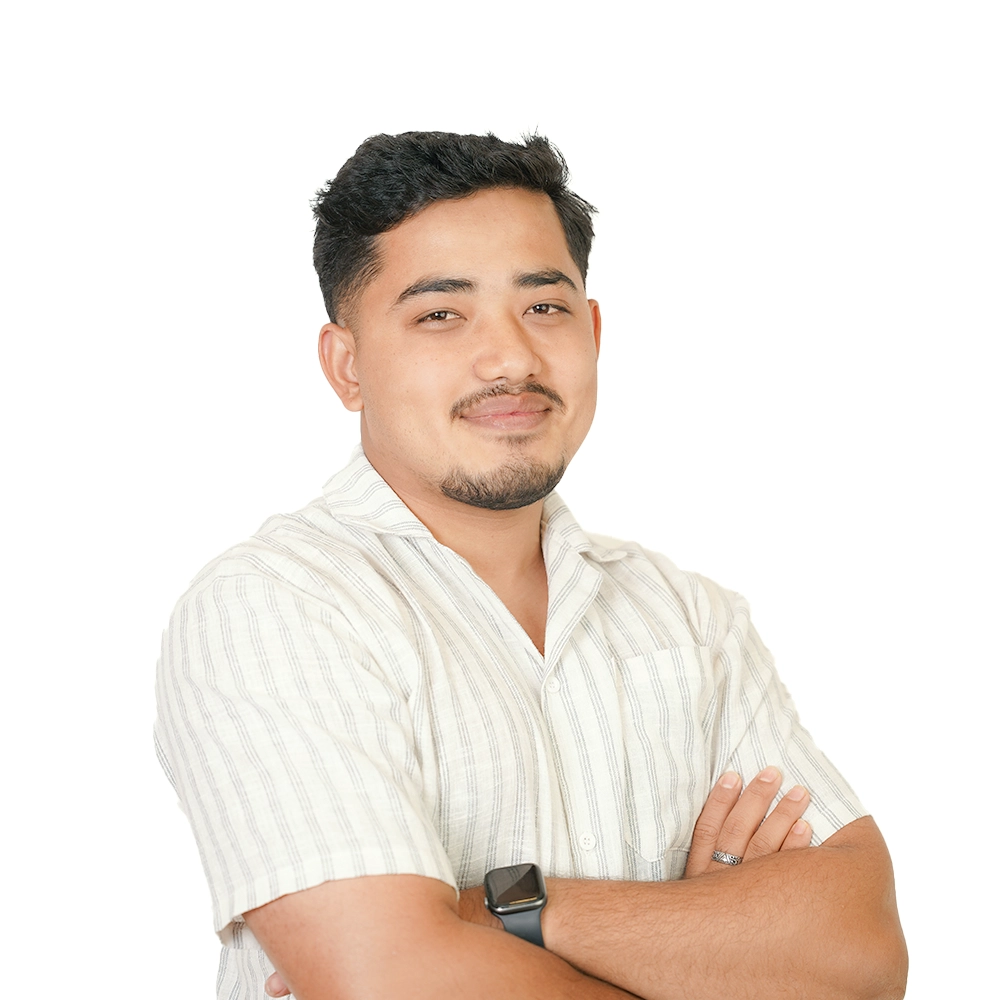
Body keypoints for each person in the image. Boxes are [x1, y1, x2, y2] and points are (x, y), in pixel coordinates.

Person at [155, 132, 907, 1000]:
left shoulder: (692, 621)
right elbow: (389, 980)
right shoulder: (273, 608)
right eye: (441, 315)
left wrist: (501, 911)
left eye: (544, 306)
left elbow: (861, 954)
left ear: (593, 331)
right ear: (347, 364)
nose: (511, 358)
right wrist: (708, 949)